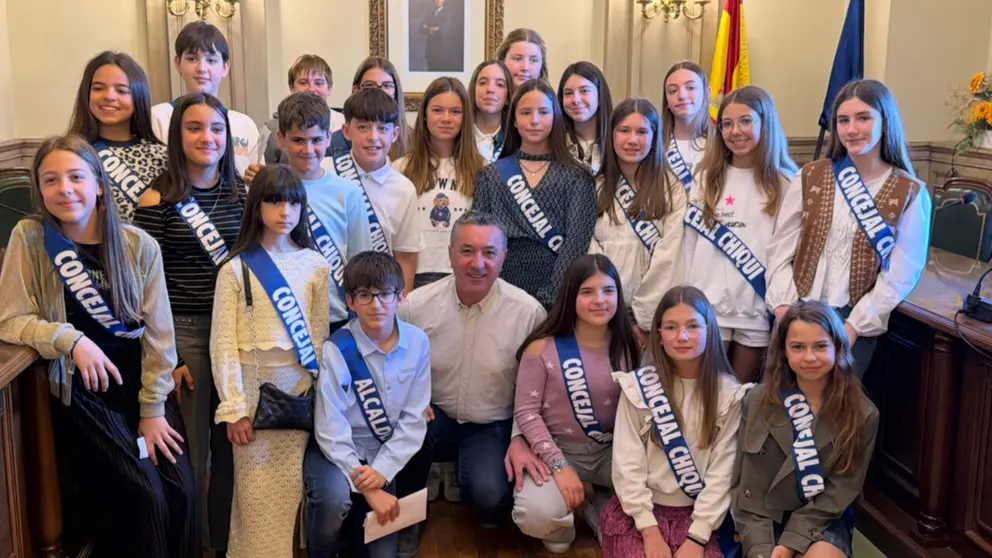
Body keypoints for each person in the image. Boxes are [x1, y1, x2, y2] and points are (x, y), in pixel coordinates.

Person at [0, 135, 195, 556]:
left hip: (145, 388)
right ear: (39, 188)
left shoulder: (137, 245)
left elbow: (160, 337)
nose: (64, 189)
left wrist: (152, 411)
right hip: (85, 395)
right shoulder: (31, 238)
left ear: (99, 184)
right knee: (147, 500)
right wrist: (71, 340)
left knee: (182, 496)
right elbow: (10, 318)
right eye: (51, 180)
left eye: (75, 176)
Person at [133, 92, 246, 554]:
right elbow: (144, 289)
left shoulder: (243, 192)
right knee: (194, 460)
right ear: (177, 135)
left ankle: (222, 545)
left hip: (236, 336)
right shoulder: (156, 198)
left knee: (232, 455)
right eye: (195, 128)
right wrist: (173, 356)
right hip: (187, 337)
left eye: (216, 128)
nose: (207, 137)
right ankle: (194, 547)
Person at [765, 79, 932, 378]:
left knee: (838, 417)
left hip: (854, 322)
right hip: (796, 310)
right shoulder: (810, 175)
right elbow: (780, 248)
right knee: (781, 409)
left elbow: (901, 273)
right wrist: (783, 308)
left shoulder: (910, 192)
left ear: (885, 120)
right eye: (843, 120)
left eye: (863, 118)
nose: (852, 129)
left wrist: (853, 328)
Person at [210, 165, 330, 556]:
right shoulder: (235, 268)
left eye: (294, 202)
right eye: (275, 201)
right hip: (252, 387)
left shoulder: (315, 264)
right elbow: (222, 343)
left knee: (294, 491)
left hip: (297, 390)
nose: (285, 211)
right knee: (254, 495)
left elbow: (319, 336)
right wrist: (234, 407)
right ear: (256, 206)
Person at [398, 211, 549, 522]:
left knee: (490, 501)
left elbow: (537, 391)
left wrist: (522, 437)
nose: (477, 263)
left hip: (491, 424)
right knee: (402, 437)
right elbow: (394, 365)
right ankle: (411, 510)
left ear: (504, 256)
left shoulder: (529, 314)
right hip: (433, 416)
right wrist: (411, 400)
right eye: (467, 251)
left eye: (489, 252)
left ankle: (455, 469)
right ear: (450, 253)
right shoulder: (415, 307)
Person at [600, 285, 746, 558]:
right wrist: (649, 531)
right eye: (671, 328)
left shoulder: (730, 395)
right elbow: (626, 465)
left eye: (693, 326)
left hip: (701, 520)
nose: (682, 336)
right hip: (640, 517)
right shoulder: (638, 388)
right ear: (658, 333)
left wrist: (698, 538)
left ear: (709, 329)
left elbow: (723, 474)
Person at [511, 253, 639, 553]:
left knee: (661, 499)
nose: (600, 300)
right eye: (587, 292)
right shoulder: (541, 347)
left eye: (609, 291)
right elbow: (526, 412)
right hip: (558, 449)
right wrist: (560, 466)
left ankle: (601, 507)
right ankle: (563, 523)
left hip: (614, 452)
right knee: (536, 516)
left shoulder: (632, 344)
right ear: (571, 295)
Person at [732, 300, 880, 558]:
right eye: (798, 347)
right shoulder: (756, 400)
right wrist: (761, 549)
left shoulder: (863, 414)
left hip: (821, 518)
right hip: (761, 518)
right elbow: (746, 486)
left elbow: (839, 492)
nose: (810, 357)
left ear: (837, 347)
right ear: (784, 352)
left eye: (821, 346)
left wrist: (790, 544)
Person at [309, 251, 431, 558]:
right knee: (333, 501)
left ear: (401, 296)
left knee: (383, 555)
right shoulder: (337, 348)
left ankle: (353, 534)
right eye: (365, 295)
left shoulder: (418, 343)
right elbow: (329, 428)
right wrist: (368, 485)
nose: (376, 305)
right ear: (350, 302)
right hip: (337, 452)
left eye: (385, 294)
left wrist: (382, 471)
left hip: (382, 453)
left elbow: (414, 419)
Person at [684, 85, 797, 383]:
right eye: (727, 124)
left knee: (742, 398)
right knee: (707, 396)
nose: (736, 131)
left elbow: (787, 253)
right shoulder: (705, 177)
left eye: (745, 121)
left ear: (765, 122)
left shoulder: (787, 182)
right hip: (708, 307)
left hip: (756, 307)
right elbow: (689, 246)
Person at [472, 79, 597, 309]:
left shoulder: (578, 177)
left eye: (543, 112)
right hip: (499, 291)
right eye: (526, 113)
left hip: (558, 294)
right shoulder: (491, 176)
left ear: (556, 118)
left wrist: (552, 296)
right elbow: (479, 238)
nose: (535, 121)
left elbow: (576, 244)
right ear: (515, 121)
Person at [590, 98, 686, 347]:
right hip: (604, 310)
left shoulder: (671, 187)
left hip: (652, 313)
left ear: (655, 137)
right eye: (624, 130)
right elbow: (590, 251)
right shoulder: (595, 186)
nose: (633, 140)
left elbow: (670, 253)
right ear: (611, 135)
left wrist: (643, 318)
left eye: (642, 131)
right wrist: (611, 307)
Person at [326, 88, 423, 291]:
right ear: (346, 131)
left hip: (377, 300)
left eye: (382, 128)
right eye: (363, 127)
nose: (373, 137)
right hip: (329, 295)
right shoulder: (325, 172)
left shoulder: (404, 190)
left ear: (395, 134)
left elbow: (405, 257)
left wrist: (399, 307)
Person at [393, 77, 486, 288]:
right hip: (415, 273)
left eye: (455, 111)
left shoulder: (482, 169)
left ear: (465, 117)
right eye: (437, 110)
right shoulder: (401, 168)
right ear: (424, 115)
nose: (446, 118)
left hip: (462, 274)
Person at [67, 51, 167, 223]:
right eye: (98, 88)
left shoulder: (162, 156)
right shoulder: (70, 154)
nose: (109, 96)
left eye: (122, 90)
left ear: (138, 96)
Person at [150, 21, 260, 176]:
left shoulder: (244, 125)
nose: (201, 68)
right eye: (192, 59)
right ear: (178, 63)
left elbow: (257, 183)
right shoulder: (159, 117)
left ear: (225, 67)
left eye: (211, 60)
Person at [259, 54, 346, 165]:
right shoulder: (271, 129)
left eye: (318, 83)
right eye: (303, 83)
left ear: (329, 88)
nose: (311, 89)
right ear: (291, 88)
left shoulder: (344, 124)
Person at [329, 57, 412, 159]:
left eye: (387, 85)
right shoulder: (335, 141)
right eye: (369, 85)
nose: (379, 92)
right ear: (356, 90)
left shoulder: (413, 138)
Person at [660, 61, 712, 191]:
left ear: (707, 93)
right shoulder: (654, 144)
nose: (682, 96)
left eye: (690, 88)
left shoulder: (723, 144)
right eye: (673, 91)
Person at [558, 62, 613, 175]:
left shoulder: (616, 141)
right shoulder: (555, 142)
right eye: (568, 93)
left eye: (584, 91)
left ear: (600, 96)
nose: (575, 100)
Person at [469, 59, 514, 162]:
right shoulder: (459, 133)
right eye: (483, 83)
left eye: (500, 84)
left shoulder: (516, 137)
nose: (490, 89)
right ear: (473, 90)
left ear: (507, 97)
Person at [420, 0, 452, 71]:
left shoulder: (448, 14)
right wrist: (433, 28)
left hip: (442, 51)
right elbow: (421, 30)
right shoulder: (429, 14)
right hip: (430, 51)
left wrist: (428, 27)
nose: (438, 1)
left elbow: (442, 31)